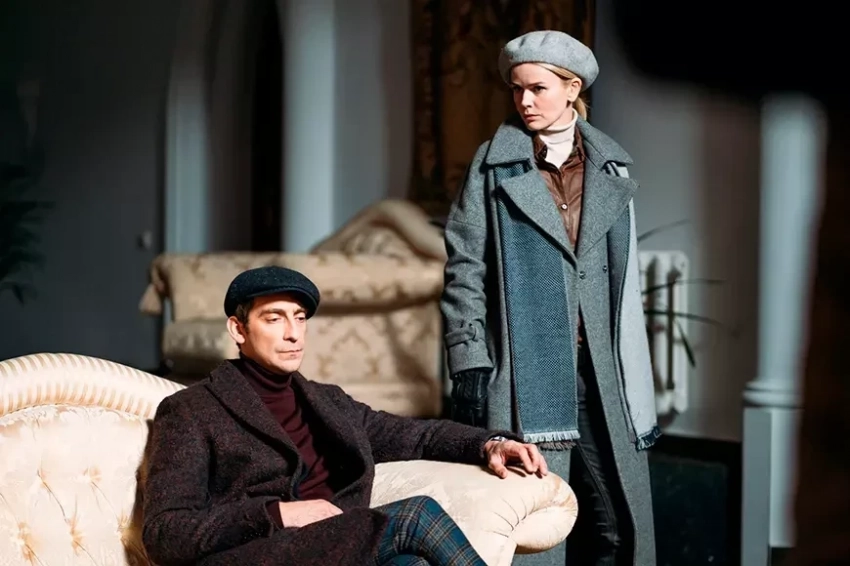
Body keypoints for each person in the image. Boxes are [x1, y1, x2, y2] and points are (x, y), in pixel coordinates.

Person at [141, 265, 550, 566]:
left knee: (412, 565)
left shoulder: (329, 402)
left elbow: (416, 435)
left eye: (300, 318)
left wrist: (490, 443)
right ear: (238, 329)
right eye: (274, 318)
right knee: (416, 515)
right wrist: (277, 514)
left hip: (337, 550)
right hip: (256, 554)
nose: (293, 333)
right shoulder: (191, 409)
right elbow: (165, 533)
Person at [441, 30, 659, 566]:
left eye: (538, 88)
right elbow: (465, 267)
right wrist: (469, 360)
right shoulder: (493, 165)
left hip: (603, 372)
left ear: (572, 88)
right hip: (525, 372)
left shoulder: (611, 167)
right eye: (517, 89)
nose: (525, 101)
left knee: (616, 526)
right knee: (537, 528)